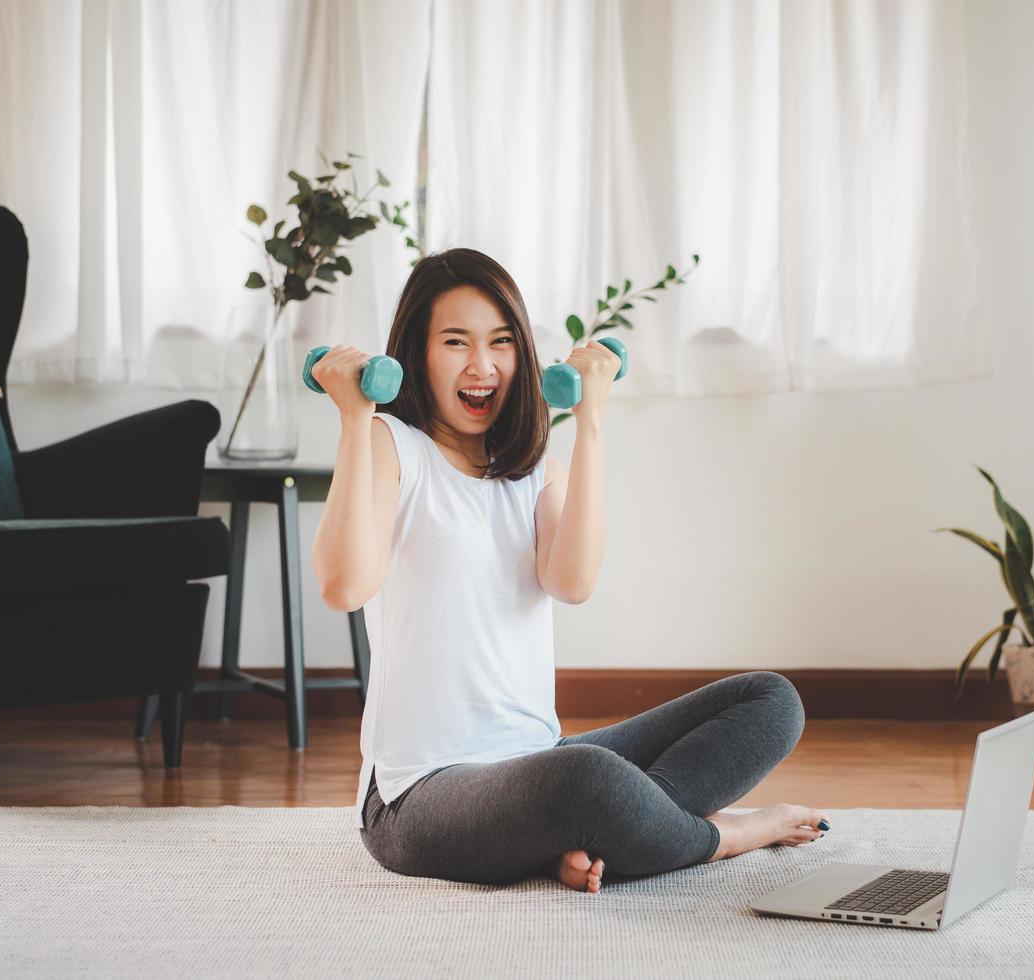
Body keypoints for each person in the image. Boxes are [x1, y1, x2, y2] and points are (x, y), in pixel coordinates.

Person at [312, 247, 828, 893]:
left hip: (533, 766)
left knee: (769, 700)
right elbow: (343, 586)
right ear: (413, 356)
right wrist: (354, 421)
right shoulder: (393, 447)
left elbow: (573, 583)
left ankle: (592, 833)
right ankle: (723, 836)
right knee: (585, 778)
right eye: (455, 342)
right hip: (418, 796)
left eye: (501, 343)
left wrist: (590, 423)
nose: (482, 365)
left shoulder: (534, 474)